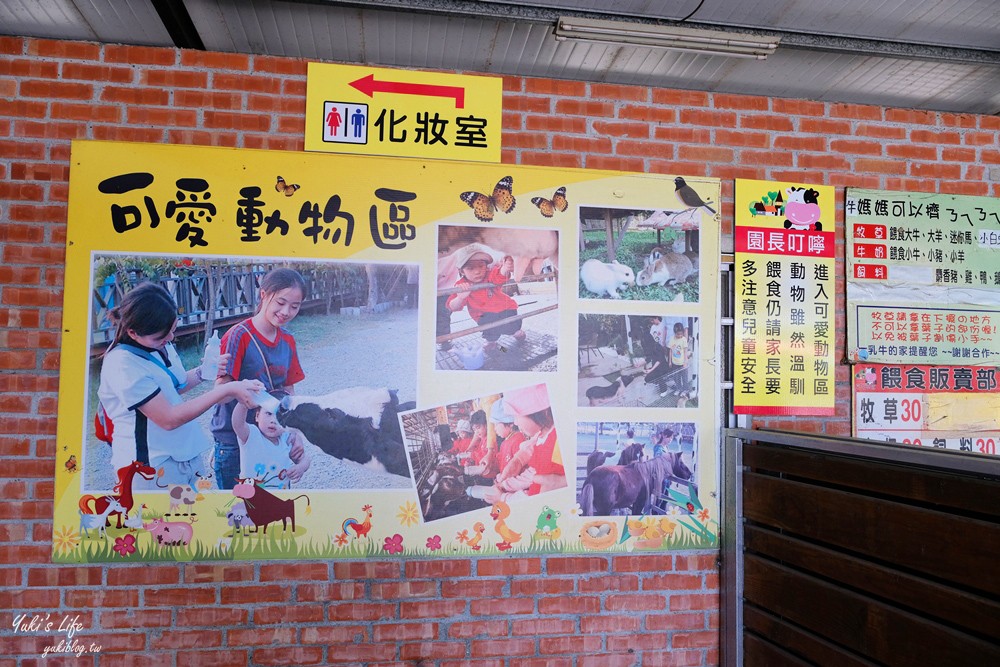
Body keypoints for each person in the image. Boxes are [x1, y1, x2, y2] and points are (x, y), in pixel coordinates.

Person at [97, 282, 262, 489]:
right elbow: (169, 419)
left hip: (185, 455)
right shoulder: (122, 363)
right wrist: (226, 389)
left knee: (197, 518)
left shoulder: (157, 345)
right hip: (150, 467)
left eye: (172, 330)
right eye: (162, 335)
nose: (170, 338)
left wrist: (203, 372)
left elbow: (175, 385)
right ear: (132, 333)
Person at [211, 268, 308, 489]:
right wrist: (243, 391)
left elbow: (289, 392)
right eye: (280, 302)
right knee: (237, 514)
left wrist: (295, 433)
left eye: (295, 306)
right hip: (238, 441)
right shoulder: (238, 335)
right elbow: (219, 394)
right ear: (263, 295)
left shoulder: (288, 340)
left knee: (273, 511)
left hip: (274, 439)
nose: (286, 311)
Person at [469, 384, 565, 501]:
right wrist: (504, 485)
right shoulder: (540, 438)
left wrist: (504, 498)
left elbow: (540, 491)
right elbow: (533, 474)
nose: (515, 422)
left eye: (517, 415)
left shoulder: (556, 443)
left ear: (541, 412)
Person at [446, 243, 525, 353]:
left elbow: (499, 275)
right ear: (461, 271)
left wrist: (506, 267)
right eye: (470, 268)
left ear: (486, 266)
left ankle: (517, 332)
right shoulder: (462, 285)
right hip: (484, 316)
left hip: (505, 308)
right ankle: (491, 341)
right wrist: (460, 298)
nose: (477, 271)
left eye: (481, 266)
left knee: (513, 326)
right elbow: (453, 306)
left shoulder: (489, 275)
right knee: (488, 329)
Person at [231, 392, 310, 488]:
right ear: (257, 416)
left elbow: (304, 459)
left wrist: (300, 468)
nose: (273, 420)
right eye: (268, 413)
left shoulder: (286, 438)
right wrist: (243, 403)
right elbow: (237, 423)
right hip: (252, 498)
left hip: (280, 497)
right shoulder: (251, 435)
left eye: (280, 416)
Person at [666, 322, 691, 397]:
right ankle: (679, 389)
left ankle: (685, 389)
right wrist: (670, 361)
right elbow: (670, 350)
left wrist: (685, 362)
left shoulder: (683, 340)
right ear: (675, 332)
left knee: (684, 377)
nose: (679, 335)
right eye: (678, 334)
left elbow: (685, 351)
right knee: (676, 377)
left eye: (681, 334)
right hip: (674, 363)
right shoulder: (672, 339)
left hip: (682, 363)